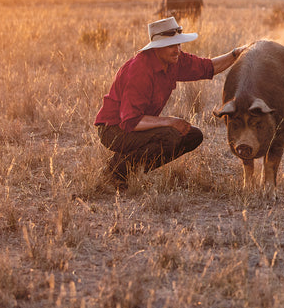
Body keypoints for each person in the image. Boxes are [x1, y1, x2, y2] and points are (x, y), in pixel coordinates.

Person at [94, 16, 249, 189]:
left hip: (134, 125)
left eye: (178, 44)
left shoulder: (175, 60)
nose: (177, 50)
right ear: (157, 48)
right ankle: (115, 174)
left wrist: (237, 53)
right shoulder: (140, 70)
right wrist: (171, 121)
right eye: (171, 45)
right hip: (114, 130)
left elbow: (208, 67)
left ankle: (127, 169)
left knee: (192, 136)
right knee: (169, 136)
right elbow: (130, 121)